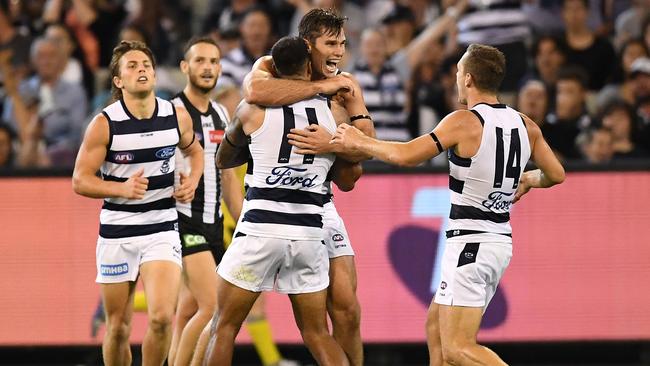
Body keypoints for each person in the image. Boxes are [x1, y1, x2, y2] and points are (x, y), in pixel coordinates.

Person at [329, 43, 566, 365]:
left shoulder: (464, 121)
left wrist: (360, 141)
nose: (455, 80)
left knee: (457, 348)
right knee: (436, 331)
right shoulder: (526, 125)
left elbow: (406, 155)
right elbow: (556, 174)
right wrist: (528, 179)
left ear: (468, 79)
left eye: (457, 73)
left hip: (471, 244)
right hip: (496, 242)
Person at [206, 36, 351, 366]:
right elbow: (348, 178)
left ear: (273, 68)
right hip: (309, 236)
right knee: (317, 334)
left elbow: (223, 159)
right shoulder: (334, 114)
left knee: (223, 327)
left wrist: (252, 142)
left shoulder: (251, 109)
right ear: (307, 66)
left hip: (259, 232)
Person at [242, 9, 375, 366]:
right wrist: (320, 88)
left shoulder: (346, 85)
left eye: (343, 44)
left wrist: (334, 142)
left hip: (321, 203)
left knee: (346, 306)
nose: (338, 52)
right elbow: (253, 91)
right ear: (307, 45)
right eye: (330, 43)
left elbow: (362, 157)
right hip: (271, 201)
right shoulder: (272, 65)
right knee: (235, 314)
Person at [72, 40, 203, 366]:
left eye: (146, 64)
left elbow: (195, 152)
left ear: (155, 74)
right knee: (118, 328)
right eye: (132, 66)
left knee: (161, 318)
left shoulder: (176, 115)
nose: (141, 69)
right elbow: (80, 180)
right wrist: (121, 188)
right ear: (118, 81)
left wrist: (193, 180)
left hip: (161, 226)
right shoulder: (105, 124)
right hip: (118, 230)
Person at [166, 36, 244, 366]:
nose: (208, 67)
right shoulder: (170, 112)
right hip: (182, 220)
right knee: (212, 306)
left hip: (213, 223)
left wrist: (244, 224)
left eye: (213, 61)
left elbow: (228, 178)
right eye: (200, 61)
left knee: (187, 311)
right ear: (185, 67)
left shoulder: (222, 114)